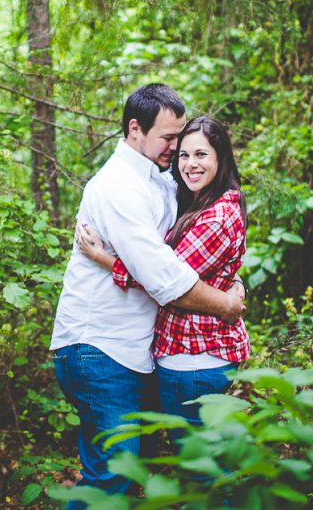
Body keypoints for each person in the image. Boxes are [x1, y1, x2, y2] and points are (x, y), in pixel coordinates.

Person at [49, 84, 246, 503]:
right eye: (170, 139)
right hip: (99, 349)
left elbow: (201, 248)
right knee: (112, 477)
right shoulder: (119, 187)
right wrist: (227, 304)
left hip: (134, 352)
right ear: (135, 130)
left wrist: (234, 275)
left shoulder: (156, 179)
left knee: (138, 474)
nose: (176, 150)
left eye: (182, 140)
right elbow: (165, 278)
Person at [76, 114, 250, 432]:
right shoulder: (196, 202)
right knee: (199, 459)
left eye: (201, 155)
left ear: (221, 158)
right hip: (185, 356)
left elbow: (165, 278)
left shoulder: (216, 216)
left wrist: (104, 259)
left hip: (196, 357)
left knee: (198, 465)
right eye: (184, 154)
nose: (189, 164)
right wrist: (235, 281)